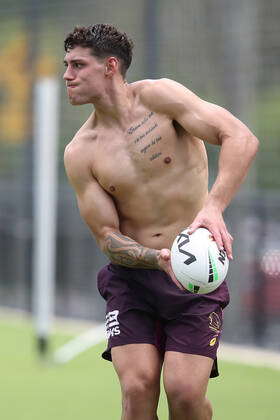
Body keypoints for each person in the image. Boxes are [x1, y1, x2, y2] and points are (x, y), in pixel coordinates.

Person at [63, 23, 258, 420]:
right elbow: (106, 236)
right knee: (137, 391)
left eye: (78, 65)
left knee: (185, 395)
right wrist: (157, 258)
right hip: (133, 279)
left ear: (110, 67)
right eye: (66, 65)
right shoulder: (80, 152)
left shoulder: (161, 97)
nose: (67, 75)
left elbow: (241, 138)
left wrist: (213, 207)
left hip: (195, 277)